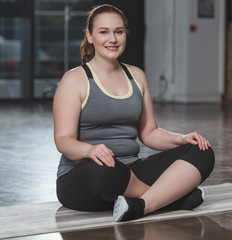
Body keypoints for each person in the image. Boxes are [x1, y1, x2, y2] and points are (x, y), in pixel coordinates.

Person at [53, 4, 215, 222]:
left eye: (118, 32)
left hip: (132, 172)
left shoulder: (136, 76)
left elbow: (149, 133)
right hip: (85, 178)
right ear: (90, 36)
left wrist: (182, 138)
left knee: (201, 151)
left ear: (125, 35)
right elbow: (63, 140)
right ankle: (174, 199)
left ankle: (142, 206)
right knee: (104, 169)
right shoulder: (75, 80)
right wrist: (90, 150)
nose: (112, 39)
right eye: (104, 32)